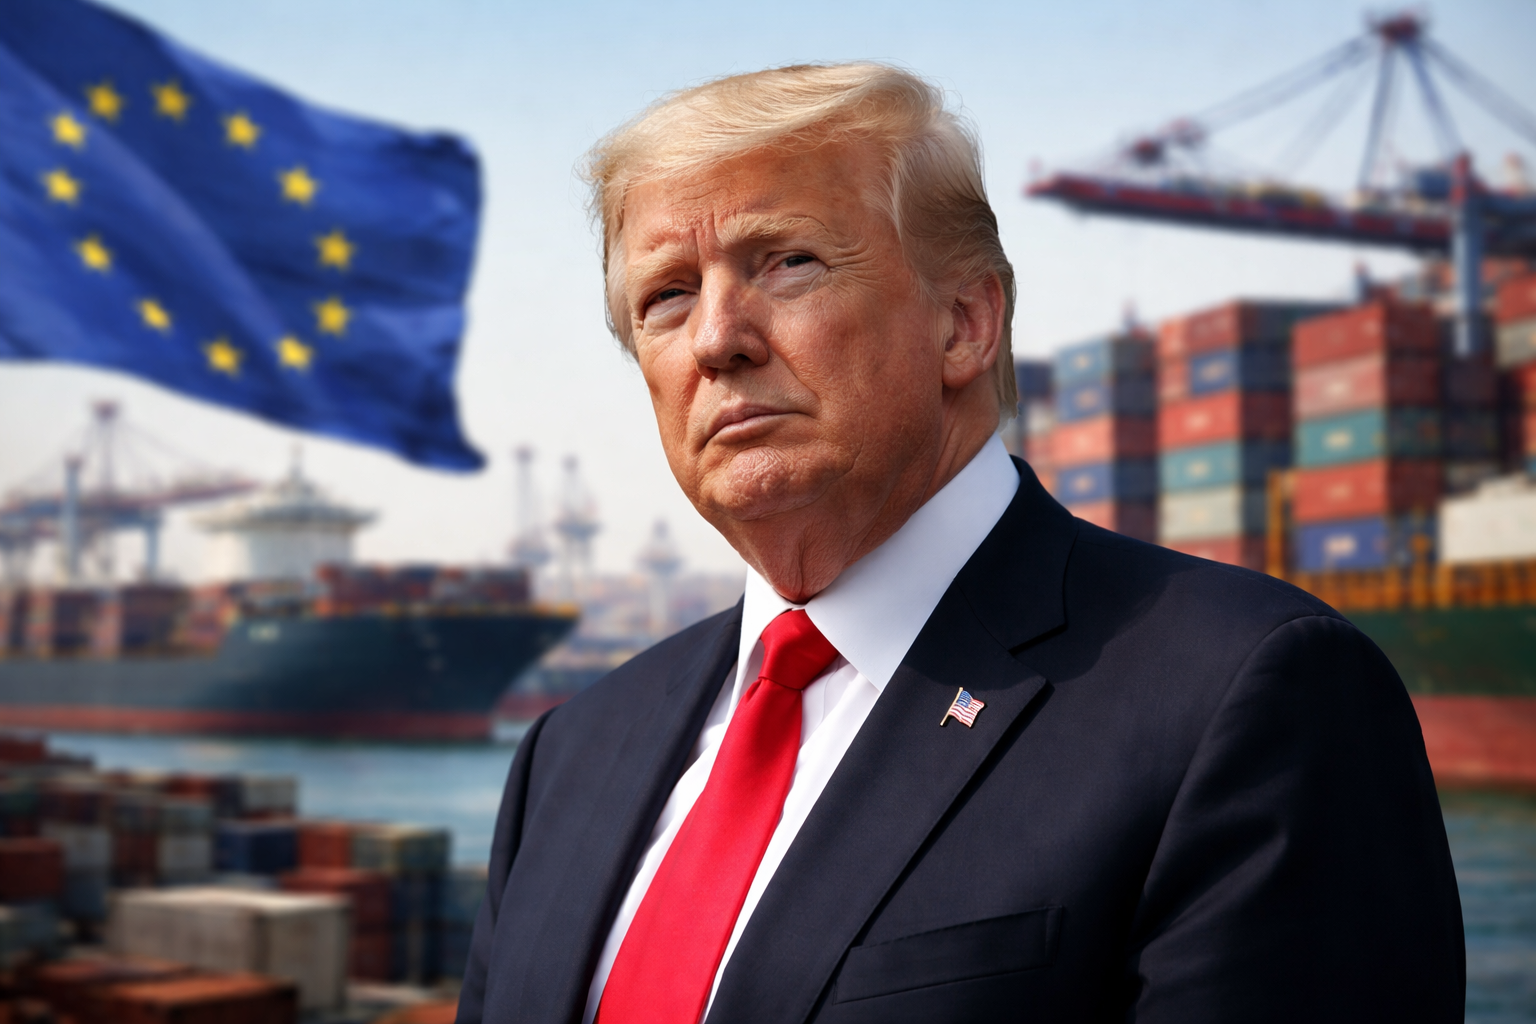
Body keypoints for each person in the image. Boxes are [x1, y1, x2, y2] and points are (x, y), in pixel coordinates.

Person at [456, 63, 1464, 1024]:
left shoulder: (1248, 695)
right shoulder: (568, 756)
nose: (718, 337)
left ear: (965, 322)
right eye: (667, 295)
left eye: (788, 260)